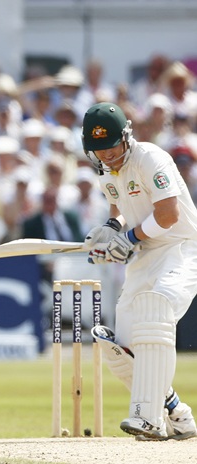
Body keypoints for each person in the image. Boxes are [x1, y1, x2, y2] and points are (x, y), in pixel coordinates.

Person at [82, 102, 197, 440]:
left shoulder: (152, 159)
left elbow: (168, 215)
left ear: (126, 137)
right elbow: (119, 209)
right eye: (98, 151)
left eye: (111, 148)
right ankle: (178, 413)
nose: (106, 157)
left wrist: (128, 238)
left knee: (155, 310)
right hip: (145, 254)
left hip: (181, 249)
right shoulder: (107, 169)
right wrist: (108, 230)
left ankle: (148, 418)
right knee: (123, 348)